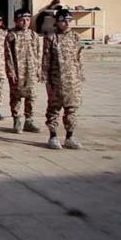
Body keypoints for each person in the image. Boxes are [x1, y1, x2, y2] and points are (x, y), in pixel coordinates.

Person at [42, 9, 84, 150]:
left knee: (71, 109)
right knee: (54, 109)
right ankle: (53, 136)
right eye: (63, 21)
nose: (66, 23)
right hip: (56, 80)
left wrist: (80, 76)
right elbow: (46, 60)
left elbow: (79, 58)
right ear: (57, 22)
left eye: (69, 20)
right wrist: (46, 81)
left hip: (73, 80)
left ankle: (69, 137)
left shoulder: (75, 37)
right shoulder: (51, 37)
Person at [7, 9, 41, 134]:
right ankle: (17, 119)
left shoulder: (33, 35)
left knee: (31, 96)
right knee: (16, 96)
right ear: (16, 21)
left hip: (31, 70)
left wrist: (38, 69)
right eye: (22, 20)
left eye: (27, 20)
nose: (25, 22)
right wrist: (11, 71)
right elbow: (8, 55)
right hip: (17, 71)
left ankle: (29, 120)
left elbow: (38, 53)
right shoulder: (11, 35)